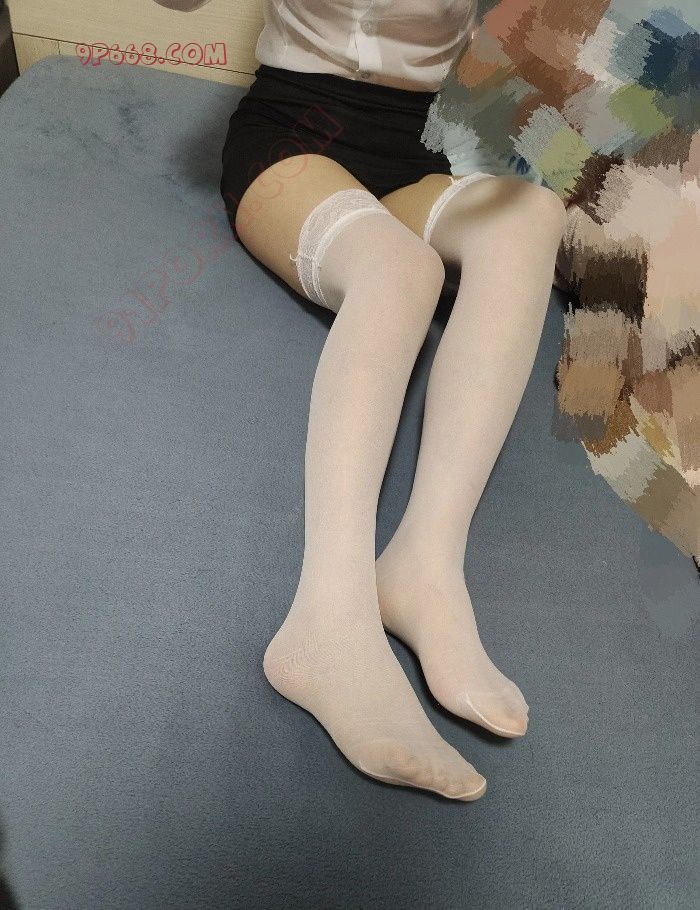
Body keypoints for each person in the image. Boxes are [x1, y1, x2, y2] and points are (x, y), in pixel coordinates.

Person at [220, 0, 567, 802]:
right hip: (296, 134)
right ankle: (326, 620)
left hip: (419, 143)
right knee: (401, 271)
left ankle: (423, 565)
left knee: (532, 215)